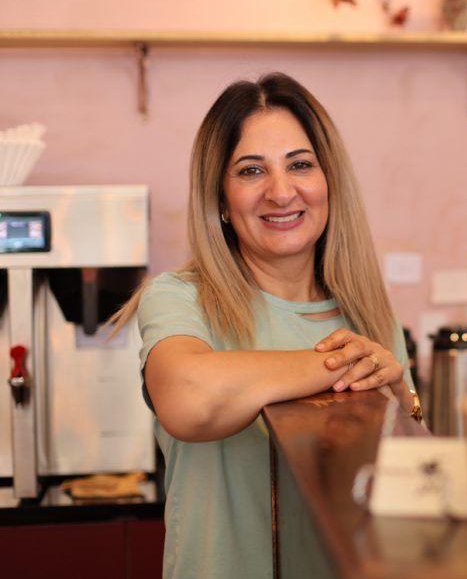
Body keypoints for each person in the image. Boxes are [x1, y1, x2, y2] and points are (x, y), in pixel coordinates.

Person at [112, 72, 420, 579]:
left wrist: (400, 396)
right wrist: (339, 363)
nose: (281, 192)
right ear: (220, 201)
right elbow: (189, 400)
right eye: (251, 171)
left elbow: (401, 496)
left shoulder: (368, 315)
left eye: (300, 164)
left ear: (328, 183)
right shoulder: (180, 298)